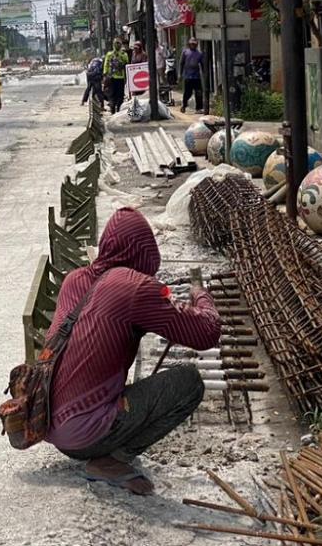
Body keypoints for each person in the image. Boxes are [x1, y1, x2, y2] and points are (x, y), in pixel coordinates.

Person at [44, 208, 220, 496]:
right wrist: (201, 296)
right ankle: (111, 460)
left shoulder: (75, 278)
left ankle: (100, 438)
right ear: (143, 254)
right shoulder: (133, 287)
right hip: (85, 436)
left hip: (50, 425)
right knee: (188, 382)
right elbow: (206, 333)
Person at [103, 39, 130, 114]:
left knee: (120, 95)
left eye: (119, 43)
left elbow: (126, 63)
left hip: (121, 78)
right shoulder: (109, 54)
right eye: (116, 43)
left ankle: (118, 109)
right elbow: (106, 64)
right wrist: (105, 74)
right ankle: (113, 110)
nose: (117, 45)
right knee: (112, 95)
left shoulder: (124, 54)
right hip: (111, 77)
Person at [180, 37, 205, 114]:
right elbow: (181, 63)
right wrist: (180, 74)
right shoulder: (185, 52)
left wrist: (204, 73)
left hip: (196, 76)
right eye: (191, 44)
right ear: (189, 44)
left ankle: (199, 108)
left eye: (194, 44)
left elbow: (202, 64)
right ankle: (184, 105)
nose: (193, 45)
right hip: (188, 76)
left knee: (199, 92)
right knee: (188, 92)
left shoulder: (199, 54)